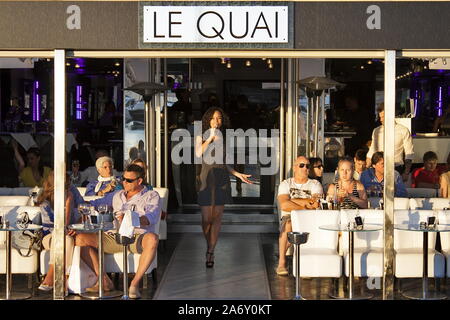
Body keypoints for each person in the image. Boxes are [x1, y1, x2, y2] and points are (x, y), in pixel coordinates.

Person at [75, 164, 161, 299]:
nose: (124, 182)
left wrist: (130, 218)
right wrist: (76, 200)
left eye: (129, 180)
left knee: (153, 239)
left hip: (137, 235)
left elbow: (152, 217)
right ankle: (104, 280)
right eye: (123, 179)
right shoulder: (117, 195)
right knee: (80, 239)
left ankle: (134, 284)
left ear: (139, 181)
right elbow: (98, 204)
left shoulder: (151, 195)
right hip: (115, 235)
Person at [195, 107, 252, 268]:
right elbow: (198, 154)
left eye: (219, 118)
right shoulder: (202, 135)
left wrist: (237, 174)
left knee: (217, 217)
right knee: (206, 219)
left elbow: (226, 162)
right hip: (206, 178)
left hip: (222, 178)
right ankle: (209, 244)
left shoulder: (226, 137)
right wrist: (210, 138)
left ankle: (211, 251)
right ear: (208, 120)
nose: (216, 121)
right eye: (213, 118)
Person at [276, 156, 323, 276]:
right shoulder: (286, 183)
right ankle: (282, 261)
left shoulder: (315, 184)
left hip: (309, 217)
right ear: (295, 168)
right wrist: (304, 205)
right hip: (290, 216)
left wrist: (293, 200)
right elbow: (284, 205)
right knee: (289, 224)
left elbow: (315, 204)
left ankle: (305, 263)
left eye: (307, 166)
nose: (305, 168)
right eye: (301, 165)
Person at [37, 171, 82, 291]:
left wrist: (74, 227)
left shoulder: (72, 193)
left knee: (66, 238)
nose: (68, 187)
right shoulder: (45, 201)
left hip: (68, 235)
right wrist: (67, 203)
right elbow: (58, 226)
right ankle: (59, 278)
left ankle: (55, 277)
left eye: (69, 185)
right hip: (49, 237)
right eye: (66, 185)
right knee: (62, 238)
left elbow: (84, 213)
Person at [366, 103, 414, 181]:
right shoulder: (376, 131)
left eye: (383, 117)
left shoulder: (403, 130)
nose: (381, 120)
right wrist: (365, 170)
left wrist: (406, 173)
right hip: (378, 169)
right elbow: (371, 152)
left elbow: (409, 154)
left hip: (397, 168)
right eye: (380, 117)